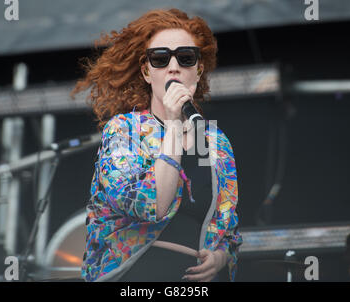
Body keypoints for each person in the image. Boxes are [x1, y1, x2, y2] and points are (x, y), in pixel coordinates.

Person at [71, 8, 242, 282]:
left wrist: (220, 257)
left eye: (185, 58)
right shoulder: (125, 131)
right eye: (160, 58)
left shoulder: (212, 141)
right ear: (147, 72)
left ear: (198, 72)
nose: (173, 66)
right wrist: (173, 124)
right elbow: (151, 206)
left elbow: (228, 230)